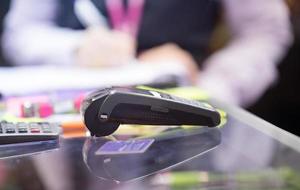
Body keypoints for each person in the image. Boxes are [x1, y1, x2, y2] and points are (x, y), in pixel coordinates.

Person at [1, 0, 292, 107]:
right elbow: (21, 31)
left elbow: (265, 32)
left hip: (180, 113)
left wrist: (214, 89)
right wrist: (75, 47)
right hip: (72, 113)